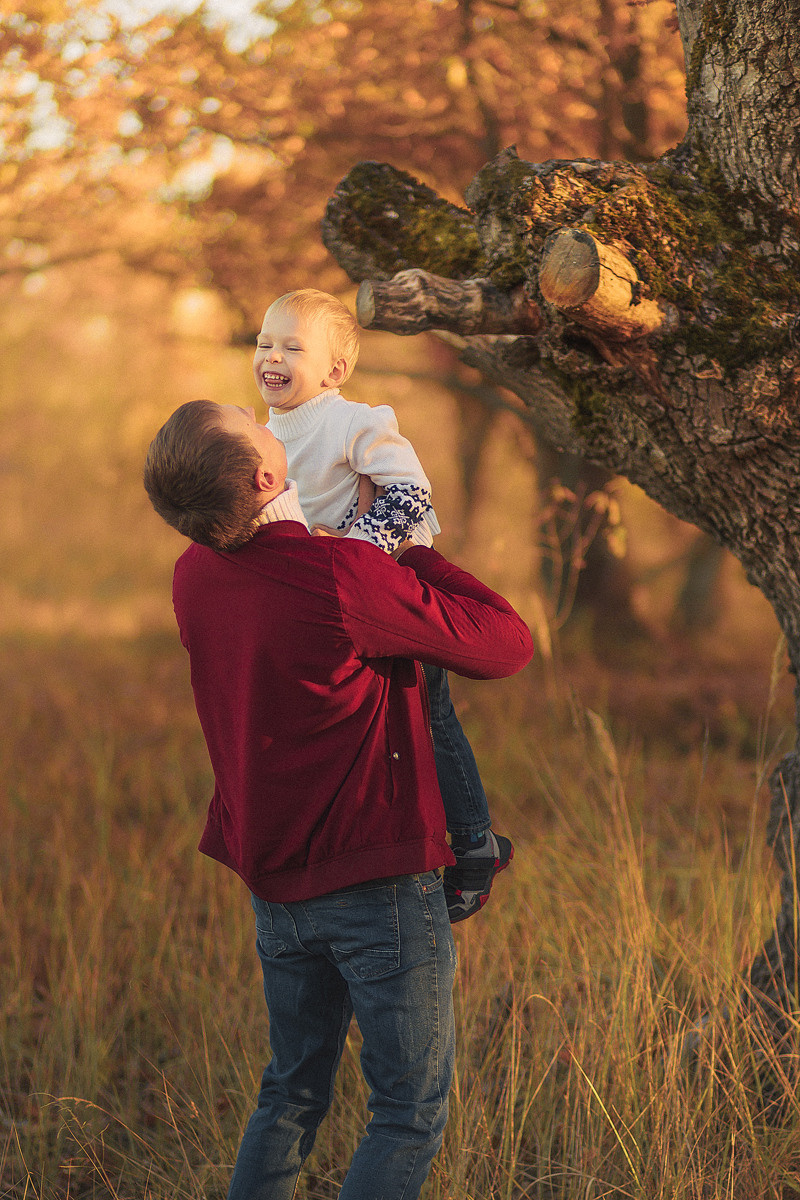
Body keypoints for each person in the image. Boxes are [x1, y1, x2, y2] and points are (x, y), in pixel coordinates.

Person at [143, 399, 534, 1200]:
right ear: (265, 474)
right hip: (378, 885)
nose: (259, 407)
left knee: (290, 1092)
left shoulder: (195, 574)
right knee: (405, 1112)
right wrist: (407, 554)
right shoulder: (342, 575)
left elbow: (279, 579)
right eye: (246, 418)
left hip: (276, 887)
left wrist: (340, 545)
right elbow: (506, 645)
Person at [254, 287, 511, 922]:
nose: (272, 357)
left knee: (429, 713)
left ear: (334, 370)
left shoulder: (356, 421)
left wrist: (361, 551)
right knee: (370, 726)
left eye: (291, 346)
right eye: (264, 344)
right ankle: (377, 843)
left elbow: (408, 492)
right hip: (330, 610)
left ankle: (473, 842)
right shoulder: (262, 436)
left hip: (388, 591)